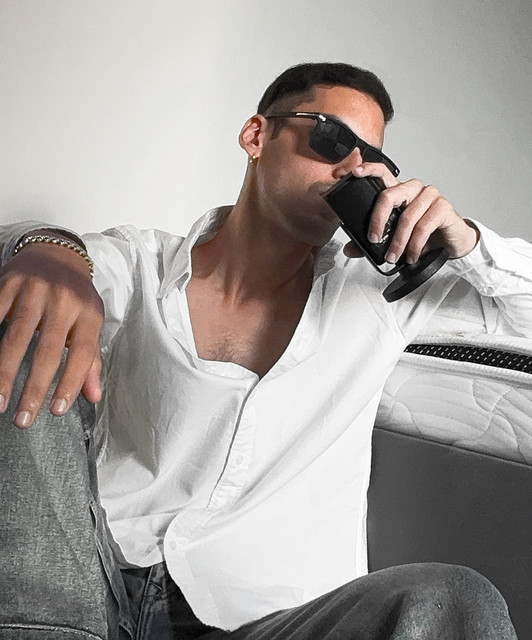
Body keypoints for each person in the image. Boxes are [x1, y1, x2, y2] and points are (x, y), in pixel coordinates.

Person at [0, 62, 529, 639]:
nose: (352, 167)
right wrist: (44, 247)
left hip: (262, 620)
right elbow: (48, 263)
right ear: (257, 136)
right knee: (31, 311)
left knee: (457, 599)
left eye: (372, 160)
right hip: (89, 583)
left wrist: (469, 244)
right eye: (331, 138)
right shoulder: (143, 265)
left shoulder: (381, 297)